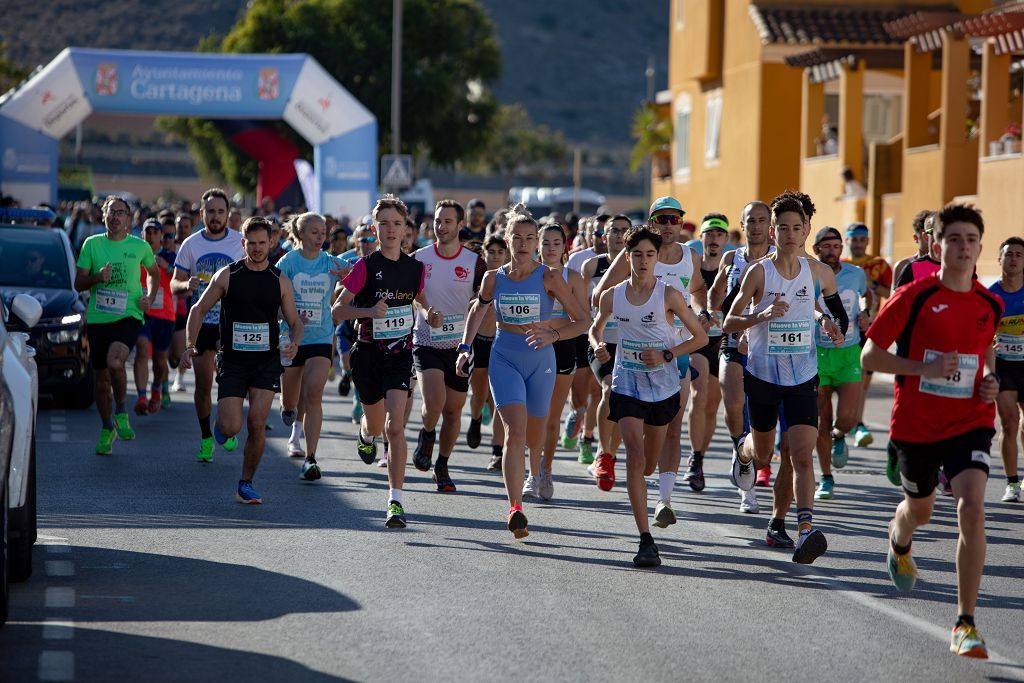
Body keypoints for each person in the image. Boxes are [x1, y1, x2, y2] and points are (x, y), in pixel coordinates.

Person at [862, 202, 1001, 659]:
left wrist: (989, 383)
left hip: (970, 422)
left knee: (973, 508)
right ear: (937, 244)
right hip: (917, 424)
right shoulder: (914, 296)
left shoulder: (989, 304)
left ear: (980, 247)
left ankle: (965, 623)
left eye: (971, 240)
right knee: (919, 511)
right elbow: (870, 358)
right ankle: (899, 539)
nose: (963, 247)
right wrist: (920, 366)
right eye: (954, 239)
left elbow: (986, 354)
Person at [722, 194, 847, 564]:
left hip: (803, 376)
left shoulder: (820, 272)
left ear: (806, 229)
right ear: (773, 232)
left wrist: (830, 326)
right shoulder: (759, 271)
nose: (791, 234)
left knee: (800, 454)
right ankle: (742, 454)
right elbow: (729, 322)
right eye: (784, 228)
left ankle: (804, 529)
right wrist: (761, 315)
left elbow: (833, 314)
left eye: (798, 227)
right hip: (762, 375)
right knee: (763, 454)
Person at [455, 205, 590, 539]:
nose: (525, 243)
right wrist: (465, 346)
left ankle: (540, 469)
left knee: (535, 432)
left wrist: (554, 335)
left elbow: (583, 320)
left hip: (540, 358)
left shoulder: (549, 276)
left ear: (537, 242)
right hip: (505, 356)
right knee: (514, 431)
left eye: (531, 238)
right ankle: (515, 507)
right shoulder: (493, 277)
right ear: (507, 239)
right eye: (518, 237)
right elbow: (479, 309)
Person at [591, 226, 708, 567]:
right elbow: (595, 326)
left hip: (664, 386)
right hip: (626, 383)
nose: (643, 261)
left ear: (657, 259)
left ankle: (653, 501)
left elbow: (699, 337)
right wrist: (597, 344)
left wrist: (669, 355)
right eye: (637, 254)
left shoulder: (669, 295)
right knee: (635, 454)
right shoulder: (613, 295)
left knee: (651, 462)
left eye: (650, 255)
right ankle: (645, 539)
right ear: (627, 257)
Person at [332, 196, 442, 528]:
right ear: (374, 228)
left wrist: (429, 313)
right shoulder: (364, 267)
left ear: (406, 228)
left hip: (399, 357)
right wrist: (368, 311)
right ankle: (366, 436)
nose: (391, 230)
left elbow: (420, 300)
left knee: (395, 428)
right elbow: (338, 310)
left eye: (396, 224)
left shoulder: (414, 268)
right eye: (384, 224)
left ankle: (395, 501)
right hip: (366, 356)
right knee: (377, 426)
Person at [179, 216, 303, 503]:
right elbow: (198, 310)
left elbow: (295, 322)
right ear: (243, 243)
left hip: (266, 362)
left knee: (257, 423)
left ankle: (245, 483)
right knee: (231, 426)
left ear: (271, 243)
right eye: (252, 243)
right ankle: (221, 431)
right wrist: (189, 346)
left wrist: (294, 343)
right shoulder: (228, 275)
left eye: (263, 243)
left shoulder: (279, 281)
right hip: (233, 361)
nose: (258, 249)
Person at [410, 200, 486, 493]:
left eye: (448, 222)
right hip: (427, 340)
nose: (442, 227)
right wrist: (427, 309)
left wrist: (474, 308)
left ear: (459, 224)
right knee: (434, 401)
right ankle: (427, 434)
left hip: (460, 346)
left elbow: (484, 299)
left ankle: (442, 464)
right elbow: (413, 292)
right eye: (438, 221)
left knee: (454, 411)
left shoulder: (472, 262)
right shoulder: (419, 258)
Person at [74, 196, 160, 454]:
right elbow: (78, 284)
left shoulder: (140, 246)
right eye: (111, 213)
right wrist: (98, 277)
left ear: (129, 219)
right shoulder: (92, 244)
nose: (115, 217)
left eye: (121, 213)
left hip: (129, 314)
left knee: (115, 362)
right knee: (101, 380)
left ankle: (121, 411)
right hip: (99, 318)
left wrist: (150, 297)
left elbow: (154, 273)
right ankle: (106, 426)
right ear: (104, 217)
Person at [171, 188, 246, 462]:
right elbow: (174, 283)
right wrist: (185, 284)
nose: (216, 217)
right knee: (203, 383)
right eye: (210, 212)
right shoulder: (191, 244)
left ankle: (226, 424)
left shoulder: (240, 242)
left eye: (220, 212)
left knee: (230, 381)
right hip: (202, 322)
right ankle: (205, 437)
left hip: (232, 324)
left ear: (228, 214)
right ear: (202, 214)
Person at [706, 201, 774, 492]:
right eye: (751, 221)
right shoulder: (732, 258)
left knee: (762, 414)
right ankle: (740, 452)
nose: (756, 226)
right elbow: (713, 295)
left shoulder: (780, 259)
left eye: (762, 220)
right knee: (733, 404)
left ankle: (754, 459)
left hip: (769, 348)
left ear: (769, 226)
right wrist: (712, 310)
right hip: (732, 342)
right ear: (742, 225)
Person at [276, 212, 343, 481]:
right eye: (314, 232)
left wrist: (350, 275)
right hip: (292, 339)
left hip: (321, 338)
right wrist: (289, 316)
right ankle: (288, 409)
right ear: (301, 234)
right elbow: (273, 299)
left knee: (314, 392)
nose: (320, 237)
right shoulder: (288, 263)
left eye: (323, 232)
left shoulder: (331, 264)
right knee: (291, 402)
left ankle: (311, 457)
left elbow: (357, 277)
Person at [531, 222, 589, 500]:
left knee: (552, 418)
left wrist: (555, 330)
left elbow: (583, 318)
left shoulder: (574, 278)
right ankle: (531, 469)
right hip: (529, 347)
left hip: (562, 347)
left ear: (565, 247)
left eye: (556, 243)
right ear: (537, 246)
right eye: (545, 243)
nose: (551, 248)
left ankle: (546, 468)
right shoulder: (527, 275)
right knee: (532, 416)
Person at [811, 227, 868, 500]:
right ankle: (826, 477)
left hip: (848, 352)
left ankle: (839, 435)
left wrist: (866, 311)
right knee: (822, 420)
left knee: (847, 417)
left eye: (836, 246)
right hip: (818, 354)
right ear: (817, 249)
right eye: (827, 246)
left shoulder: (855, 273)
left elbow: (866, 294)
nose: (833, 250)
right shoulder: (810, 274)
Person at [681, 213, 730, 489]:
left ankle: (699, 457)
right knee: (698, 397)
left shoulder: (733, 268)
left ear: (726, 239)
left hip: (721, 342)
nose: (713, 239)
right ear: (701, 239)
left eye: (718, 234)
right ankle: (693, 459)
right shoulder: (692, 267)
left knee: (711, 406)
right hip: (696, 341)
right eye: (708, 234)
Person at [582, 215, 629, 471]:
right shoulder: (591, 266)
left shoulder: (640, 266)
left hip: (630, 344)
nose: (619, 235)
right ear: (604, 235)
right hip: (599, 341)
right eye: (614, 231)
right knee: (609, 390)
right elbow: (580, 306)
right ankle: (600, 449)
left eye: (625, 230)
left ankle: (610, 454)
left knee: (623, 399)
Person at [563, 214, 609, 461]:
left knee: (600, 389)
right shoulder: (578, 259)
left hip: (608, 333)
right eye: (598, 233)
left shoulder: (625, 260)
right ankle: (577, 413)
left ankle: (587, 438)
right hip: (581, 333)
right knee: (581, 393)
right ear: (590, 234)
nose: (603, 238)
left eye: (607, 233)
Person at [843, 222, 892, 449]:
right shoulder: (840, 264)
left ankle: (857, 420)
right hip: (845, 328)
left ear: (868, 241)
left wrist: (869, 282)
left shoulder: (879, 265)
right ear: (847, 241)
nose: (858, 244)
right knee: (847, 379)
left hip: (870, 327)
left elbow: (890, 292)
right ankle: (848, 420)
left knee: (863, 379)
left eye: (863, 240)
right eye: (854, 239)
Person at [466, 234, 508, 471]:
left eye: (500, 252)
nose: (495, 256)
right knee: (479, 393)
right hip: (479, 342)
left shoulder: (510, 278)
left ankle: (497, 450)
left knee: (497, 400)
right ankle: (475, 419)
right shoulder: (479, 279)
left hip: (500, 342)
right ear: (484, 254)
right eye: (491, 252)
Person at [989, 236, 1024, 502]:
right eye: (1008, 254)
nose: (1013, 259)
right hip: (1003, 365)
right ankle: (1012, 483)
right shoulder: (991, 296)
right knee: (1009, 422)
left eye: (1018, 255)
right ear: (1000, 259)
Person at [133, 218, 177, 416]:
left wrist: (165, 265)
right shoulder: (136, 254)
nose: (151, 236)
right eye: (147, 232)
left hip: (165, 315)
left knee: (160, 362)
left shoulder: (170, 255)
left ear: (161, 235)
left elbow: (179, 278)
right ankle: (141, 397)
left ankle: (157, 389)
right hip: (141, 311)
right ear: (142, 235)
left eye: (155, 233)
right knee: (142, 348)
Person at [892, 210, 933, 286]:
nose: (930, 239)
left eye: (933, 234)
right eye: (926, 235)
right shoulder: (903, 266)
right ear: (915, 238)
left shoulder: (946, 265)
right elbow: (894, 296)